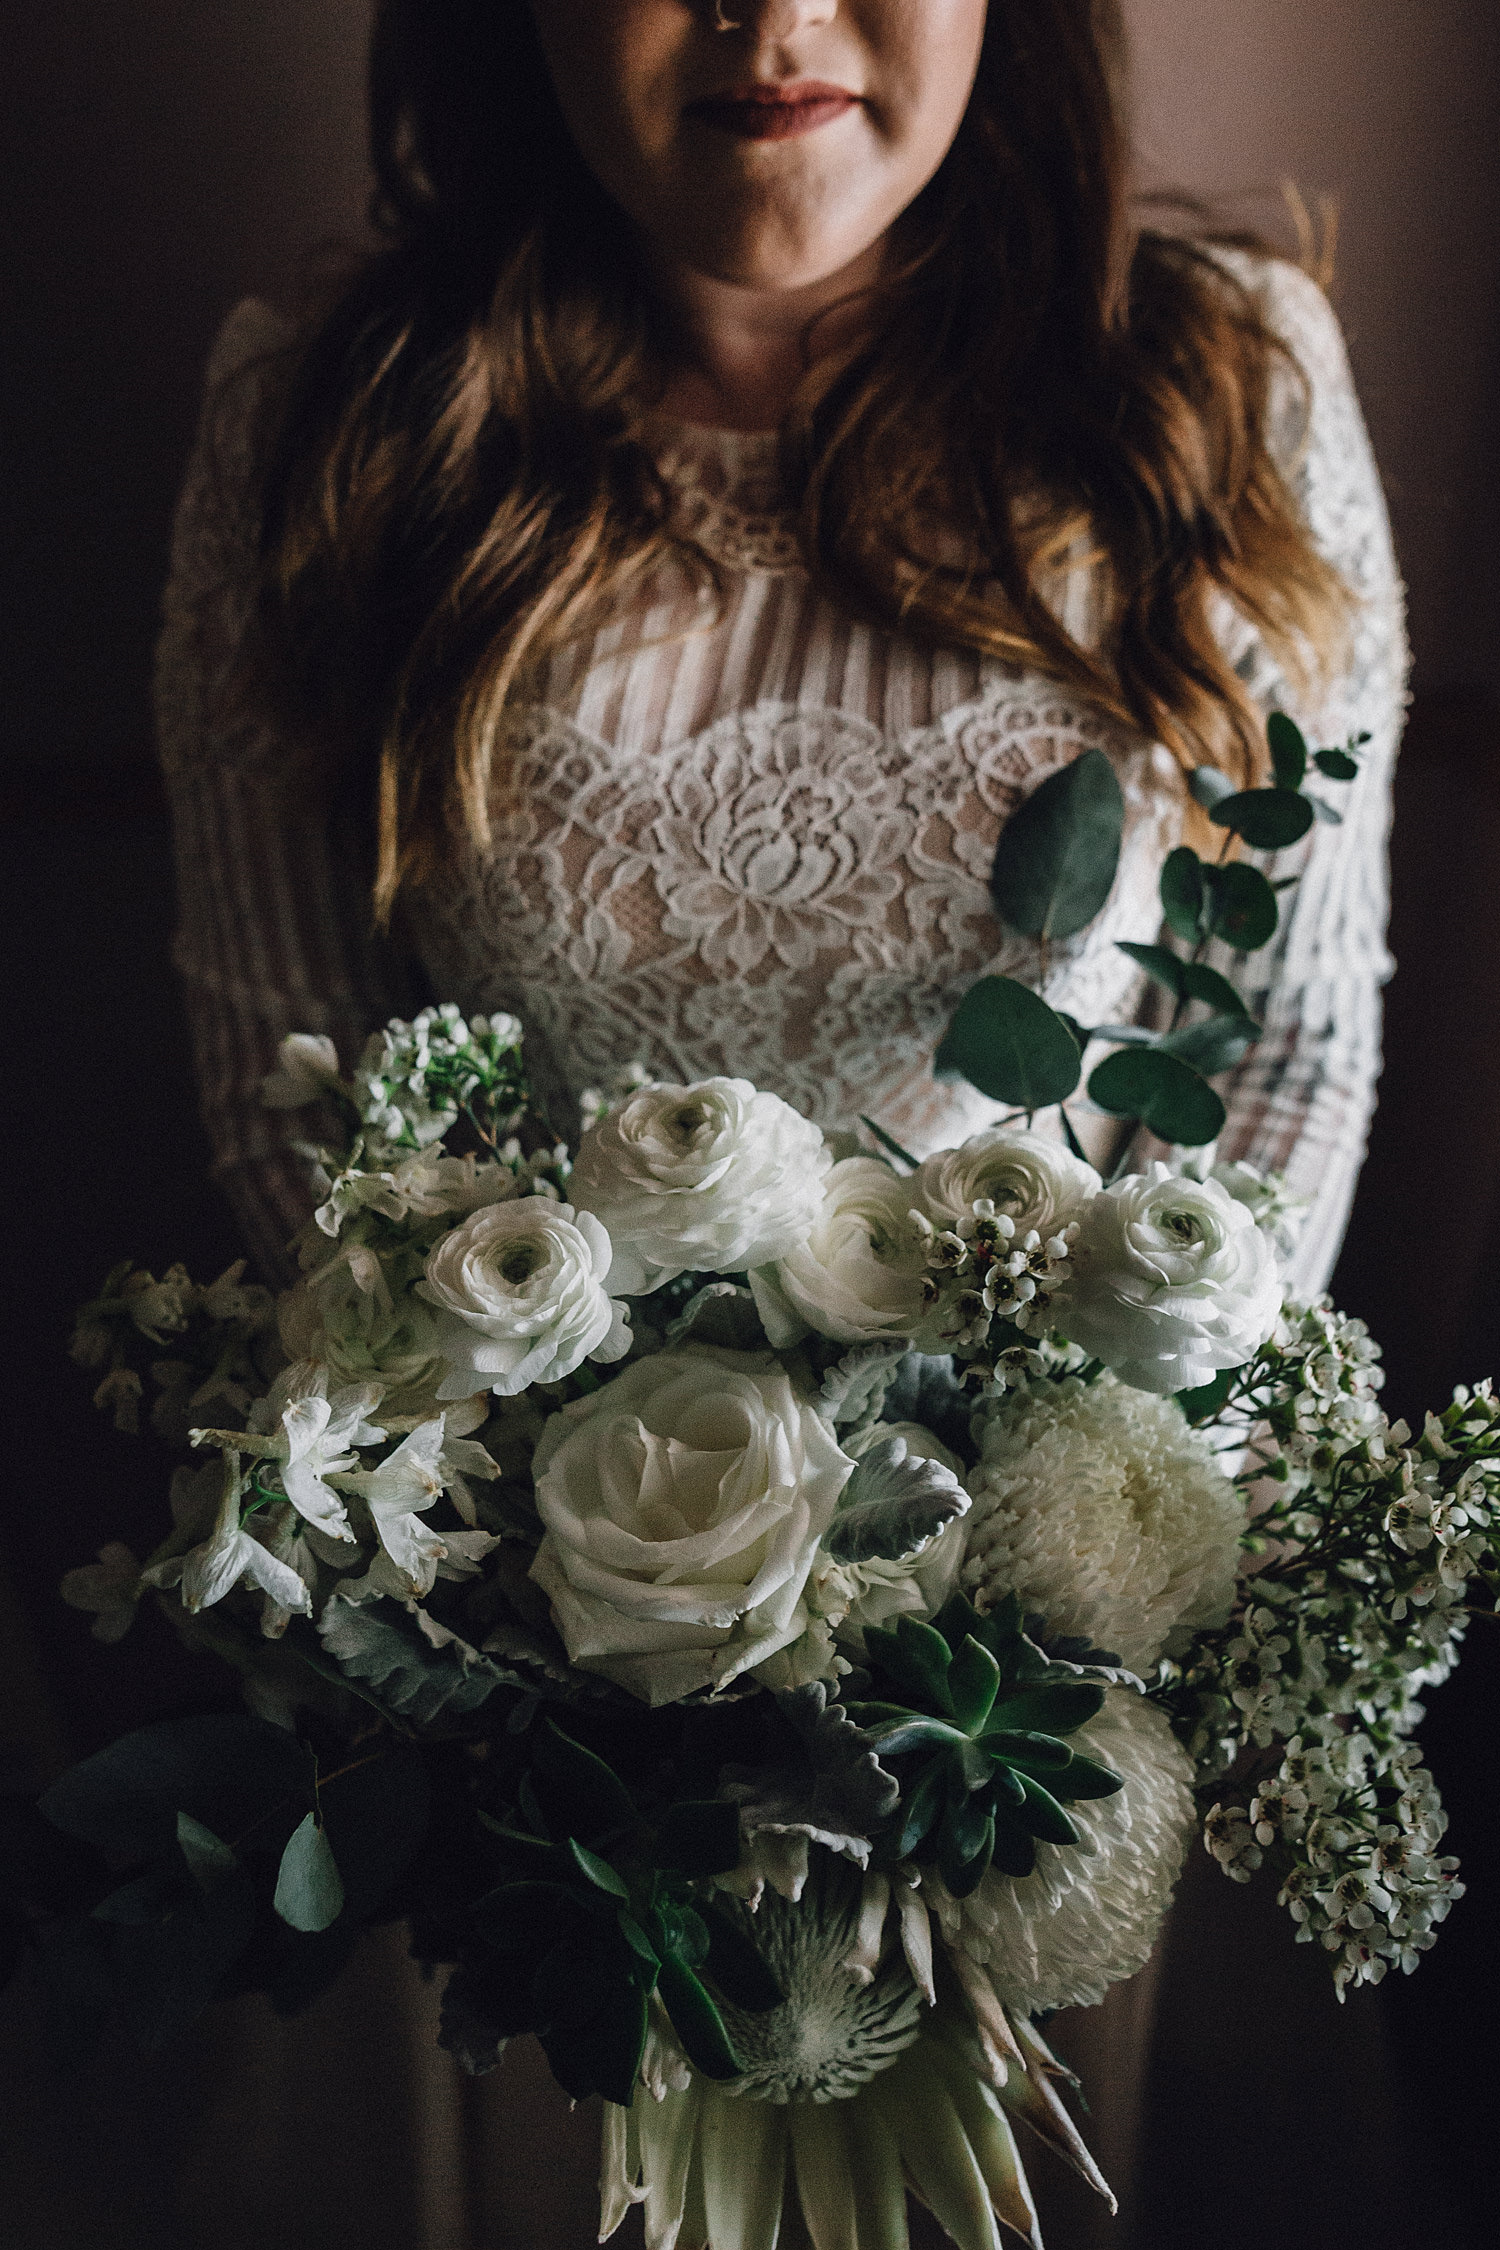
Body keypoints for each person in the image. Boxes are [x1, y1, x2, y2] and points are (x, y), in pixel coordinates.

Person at [154, 4, 1406, 2244]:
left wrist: (1049, 1607)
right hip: (538, 1771)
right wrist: (580, 1639)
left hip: (1040, 1744)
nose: (775, 18)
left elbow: (1281, 1066)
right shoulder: (334, 432)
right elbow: (291, 1085)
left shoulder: (1225, 399)